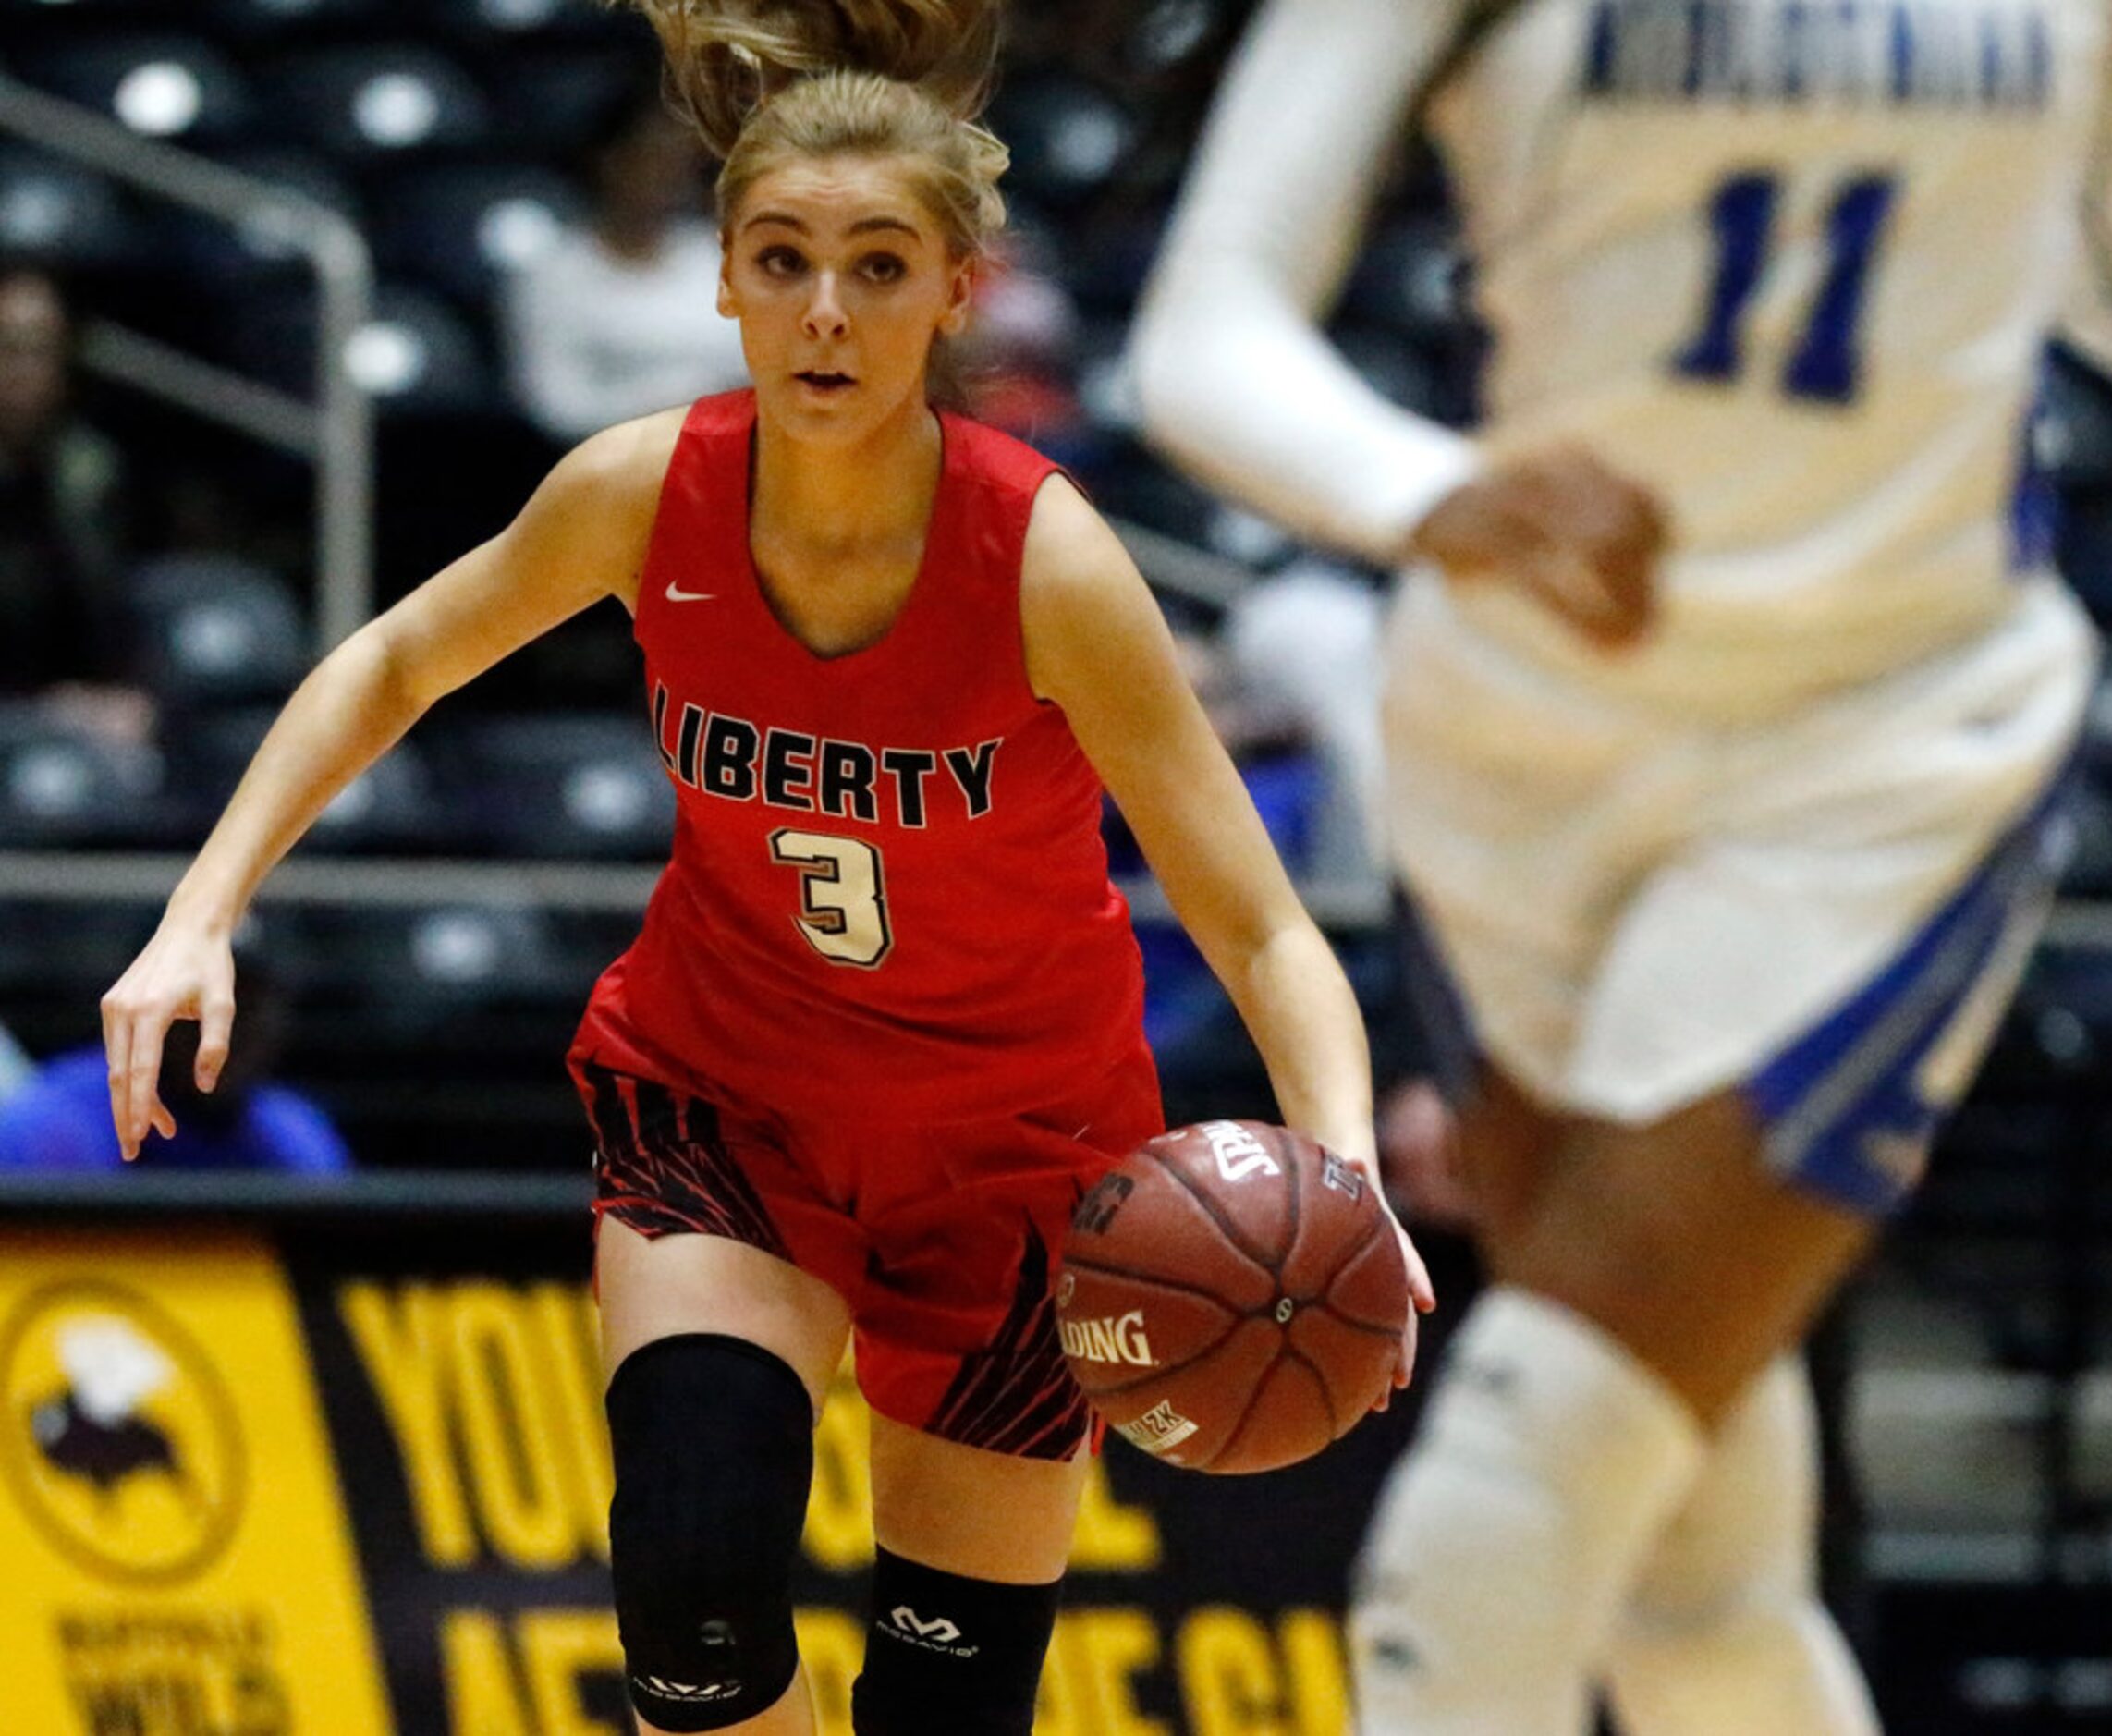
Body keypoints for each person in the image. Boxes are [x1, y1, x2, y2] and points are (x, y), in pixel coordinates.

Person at [98, 4, 1431, 1732]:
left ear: (955, 293)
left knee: (944, 1709)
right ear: (721, 280)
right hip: (732, 1105)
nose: (824, 310)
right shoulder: (640, 495)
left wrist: (1339, 1160)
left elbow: (1255, 921)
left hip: (1019, 1160)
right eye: (783, 260)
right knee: (693, 1601)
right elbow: (393, 660)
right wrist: (197, 912)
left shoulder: (1046, 561)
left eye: (878, 267)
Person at [1130, 3, 2112, 1731]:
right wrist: (1423, 489)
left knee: (1544, 1421)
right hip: (1514, 736)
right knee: (1692, 1563)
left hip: (1887, 733)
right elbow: (1203, 326)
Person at [499, 82, 751, 444]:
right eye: (650, 159)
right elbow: (556, 406)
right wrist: (681, 408)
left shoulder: (724, 260)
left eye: (679, 163)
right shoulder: (552, 274)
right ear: (608, 161)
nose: (665, 177)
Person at [2, 947, 347, 1174]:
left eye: (248, 1008)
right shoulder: (49, 1125)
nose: (223, 1030)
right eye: (196, 1004)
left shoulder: (295, 1134)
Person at [0, 260, 152, 743]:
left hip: (80, 717)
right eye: (8, 347)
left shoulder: (90, 472)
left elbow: (116, 616)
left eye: (40, 348)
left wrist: (125, 694)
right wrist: (39, 706)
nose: (23, 369)